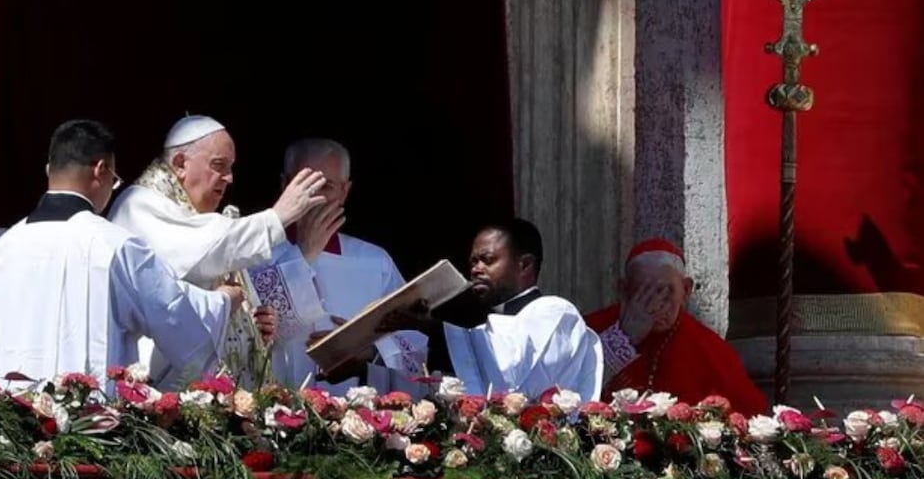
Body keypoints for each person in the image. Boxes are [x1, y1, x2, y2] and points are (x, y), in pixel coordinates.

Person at [0, 119, 240, 390]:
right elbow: (172, 313)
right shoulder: (115, 247)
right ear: (101, 170)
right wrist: (222, 302)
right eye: (114, 180)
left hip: (10, 424)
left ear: (50, 169)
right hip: (92, 425)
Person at [107, 114, 327, 389]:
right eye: (218, 165)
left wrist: (251, 323)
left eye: (231, 167)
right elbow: (207, 252)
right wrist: (277, 217)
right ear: (179, 164)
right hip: (160, 384)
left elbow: (219, 267)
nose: (229, 178)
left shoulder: (206, 223)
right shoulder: (139, 205)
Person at [246, 138, 428, 395]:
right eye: (305, 184)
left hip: (355, 418)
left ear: (345, 191)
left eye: (328, 186)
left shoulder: (375, 262)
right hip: (271, 411)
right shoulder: (253, 253)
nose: (316, 197)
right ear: (285, 185)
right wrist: (302, 255)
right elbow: (242, 335)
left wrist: (369, 352)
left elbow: (412, 340)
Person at [386, 218, 641, 401]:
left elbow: (509, 366)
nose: (475, 269)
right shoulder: (485, 332)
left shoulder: (556, 313)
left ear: (524, 265)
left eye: (487, 260)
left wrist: (430, 327)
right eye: (473, 261)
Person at [585, 238, 770, 415]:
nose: (655, 305)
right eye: (644, 293)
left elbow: (750, 415)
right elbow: (569, 389)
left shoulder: (710, 349)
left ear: (686, 290)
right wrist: (623, 339)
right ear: (624, 290)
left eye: (666, 292)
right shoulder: (590, 331)